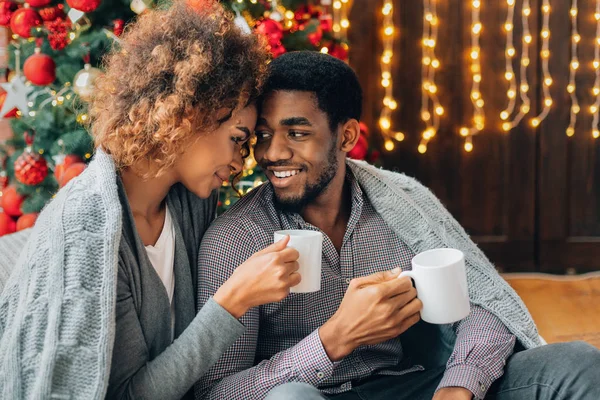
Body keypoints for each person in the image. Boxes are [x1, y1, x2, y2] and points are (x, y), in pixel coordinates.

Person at [195, 51, 600, 400]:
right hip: (313, 394)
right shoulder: (234, 241)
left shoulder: (401, 204)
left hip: (413, 386)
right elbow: (216, 392)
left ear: (347, 135)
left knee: (575, 363)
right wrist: (333, 340)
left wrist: (457, 388)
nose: (273, 152)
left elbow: (485, 302)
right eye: (263, 135)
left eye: (297, 133)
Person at [0, 3, 303, 399]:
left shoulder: (189, 205)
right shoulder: (89, 234)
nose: (239, 160)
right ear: (189, 113)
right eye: (237, 138)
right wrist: (233, 299)